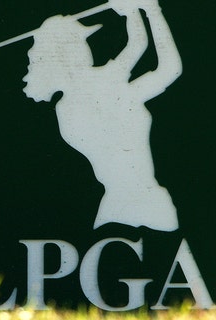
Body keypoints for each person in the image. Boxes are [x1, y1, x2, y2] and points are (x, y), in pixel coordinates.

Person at [22, 0, 182, 231]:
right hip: (139, 202)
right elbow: (168, 67)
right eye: (79, 41)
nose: (85, 47)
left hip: (123, 203)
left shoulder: (80, 95)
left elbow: (137, 44)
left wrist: (133, 11)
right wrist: (151, 10)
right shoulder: (95, 90)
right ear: (67, 53)